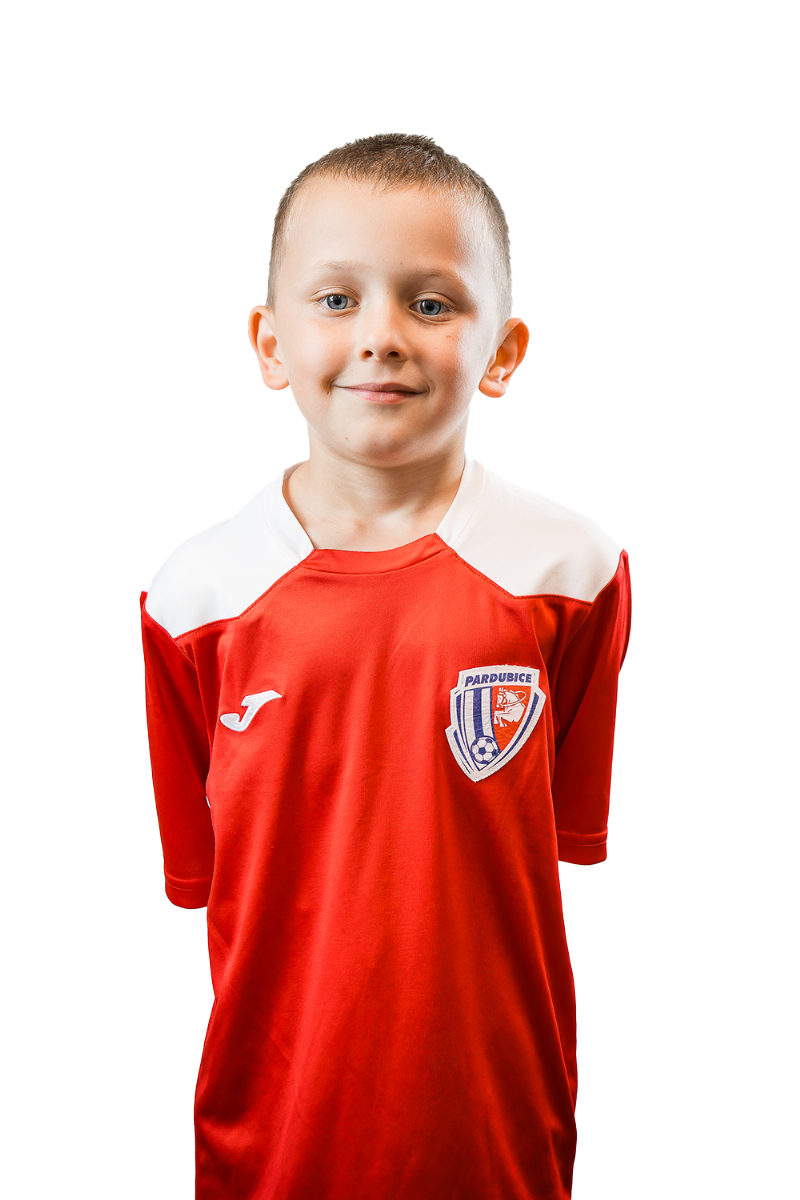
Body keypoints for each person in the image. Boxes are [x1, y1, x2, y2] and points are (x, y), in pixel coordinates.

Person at [141, 132, 631, 1200]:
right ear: (269, 342)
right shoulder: (191, 601)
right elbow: (208, 882)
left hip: (494, 1139)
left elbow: (547, 841)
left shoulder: (573, 573)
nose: (380, 336)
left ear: (501, 350)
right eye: (335, 299)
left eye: (431, 302)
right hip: (271, 1146)